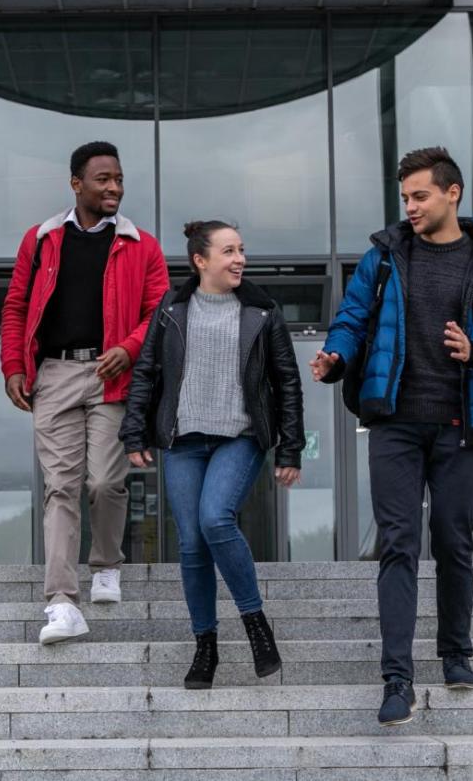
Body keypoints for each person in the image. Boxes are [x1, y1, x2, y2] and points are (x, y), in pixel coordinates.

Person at [311, 147, 473, 725]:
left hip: (460, 425)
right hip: (394, 422)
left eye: (420, 196)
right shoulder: (384, 258)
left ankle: (456, 653)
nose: (410, 207)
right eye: (405, 198)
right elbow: (353, 318)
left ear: (452, 193)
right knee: (398, 543)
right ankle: (396, 679)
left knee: (454, 542)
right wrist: (337, 354)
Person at [121, 220, 304, 688]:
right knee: (191, 544)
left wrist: (290, 448)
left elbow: (287, 381)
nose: (239, 258)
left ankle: (255, 624)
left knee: (215, 519)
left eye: (242, 249)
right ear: (200, 261)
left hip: (239, 438)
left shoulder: (262, 312)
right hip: (183, 441)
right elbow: (147, 371)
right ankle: (206, 645)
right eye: (228, 251)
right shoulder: (172, 308)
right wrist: (136, 432)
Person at [0, 141, 169, 644]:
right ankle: (61, 601)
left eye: (118, 178)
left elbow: (159, 314)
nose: (114, 187)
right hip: (53, 375)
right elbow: (15, 305)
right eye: (103, 179)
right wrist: (13, 364)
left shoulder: (144, 245)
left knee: (103, 482)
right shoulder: (42, 239)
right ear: (77, 184)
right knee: (60, 488)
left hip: (110, 373)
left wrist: (131, 348)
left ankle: (106, 563)